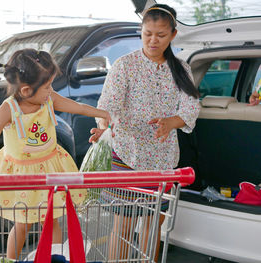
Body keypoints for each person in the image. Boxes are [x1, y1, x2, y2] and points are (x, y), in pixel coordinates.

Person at [0, 48, 111, 260]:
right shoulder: (9, 109)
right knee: (22, 224)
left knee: (51, 221)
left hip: (50, 170)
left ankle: (54, 257)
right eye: (47, 86)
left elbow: (78, 107)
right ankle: (11, 260)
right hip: (22, 176)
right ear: (26, 90)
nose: (51, 90)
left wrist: (103, 113)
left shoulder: (48, 99)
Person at [89, 4, 200, 261]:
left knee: (154, 227)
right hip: (127, 155)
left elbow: (191, 105)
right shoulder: (125, 65)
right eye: (147, 33)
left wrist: (172, 122)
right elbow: (107, 105)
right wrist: (103, 129)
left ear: (173, 35)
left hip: (164, 160)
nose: (153, 40)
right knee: (124, 228)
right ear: (141, 31)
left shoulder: (181, 69)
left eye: (160, 35)